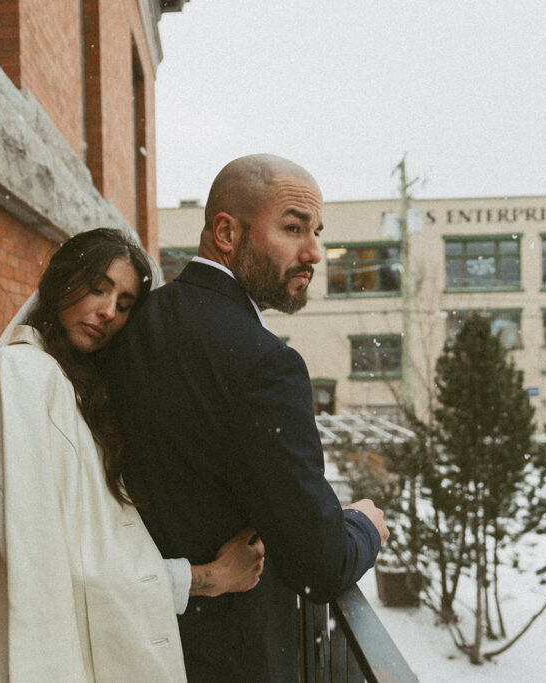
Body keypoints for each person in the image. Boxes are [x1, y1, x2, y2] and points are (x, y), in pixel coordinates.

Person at [0, 228, 265, 682]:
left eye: (126, 304)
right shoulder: (24, 374)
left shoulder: (69, 382)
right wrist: (210, 578)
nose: (109, 311)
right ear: (62, 283)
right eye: (98, 289)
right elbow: (60, 564)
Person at [107, 155, 390, 681]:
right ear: (225, 232)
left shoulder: (132, 325)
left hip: (132, 649)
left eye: (317, 232)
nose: (314, 254)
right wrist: (363, 526)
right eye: (292, 228)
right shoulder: (266, 366)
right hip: (230, 660)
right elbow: (320, 564)